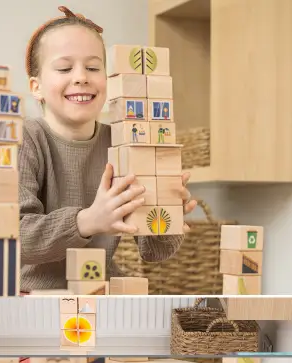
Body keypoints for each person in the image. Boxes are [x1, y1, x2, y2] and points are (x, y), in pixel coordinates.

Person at [18, 5, 197, 294]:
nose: (81, 77)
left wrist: (166, 214)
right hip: (33, 297)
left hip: (101, 294)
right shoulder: (26, 139)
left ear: (108, 79)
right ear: (36, 86)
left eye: (93, 67)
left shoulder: (125, 139)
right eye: (65, 68)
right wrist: (87, 221)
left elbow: (155, 253)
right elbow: (14, 236)